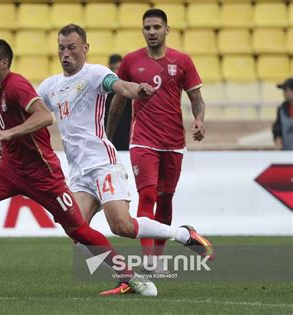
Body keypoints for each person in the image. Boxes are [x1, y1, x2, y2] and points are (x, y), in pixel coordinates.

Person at [0, 39, 156, 297]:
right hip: (10, 168)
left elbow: (45, 116)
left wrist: (7, 134)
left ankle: (130, 277)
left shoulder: (17, 85)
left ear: (4, 63)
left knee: (78, 230)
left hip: (42, 174)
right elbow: (5, 124)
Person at [38, 24, 214, 296]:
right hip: (79, 172)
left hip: (103, 164)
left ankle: (183, 234)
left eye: (72, 47)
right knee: (76, 232)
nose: (66, 53)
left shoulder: (95, 74)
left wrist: (137, 91)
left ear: (85, 48)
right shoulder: (50, 86)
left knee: (121, 226)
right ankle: (127, 277)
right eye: (61, 47)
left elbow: (119, 86)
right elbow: (30, 114)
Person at [106, 9, 207, 266]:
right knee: (147, 196)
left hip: (174, 142)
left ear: (166, 30)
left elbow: (196, 98)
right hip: (142, 140)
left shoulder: (182, 61)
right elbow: (118, 104)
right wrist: (106, 138)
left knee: (165, 198)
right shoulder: (130, 62)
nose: (152, 32)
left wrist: (199, 120)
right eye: (147, 28)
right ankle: (149, 260)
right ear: (143, 31)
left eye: (156, 27)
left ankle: (158, 259)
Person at [104, 54, 132, 150]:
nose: (117, 72)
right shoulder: (104, 90)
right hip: (108, 132)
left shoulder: (127, 88)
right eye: (115, 68)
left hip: (126, 133)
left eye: (119, 69)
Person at [272, 78, 293, 150]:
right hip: (286, 152)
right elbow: (278, 128)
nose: (283, 94)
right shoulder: (281, 109)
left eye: (285, 90)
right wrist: (278, 140)